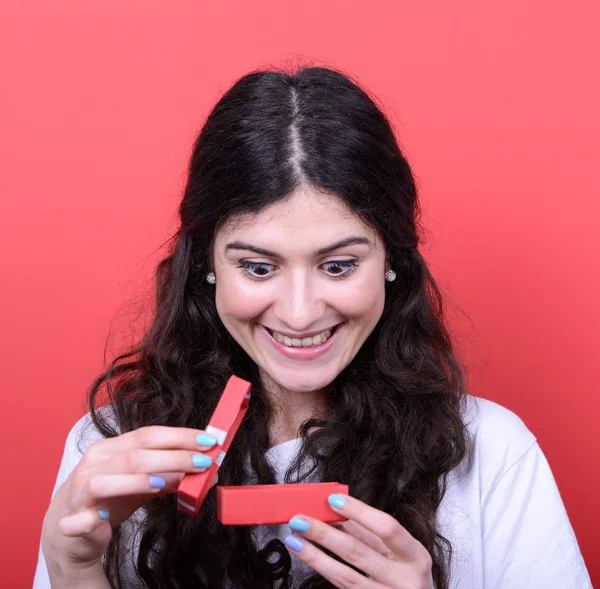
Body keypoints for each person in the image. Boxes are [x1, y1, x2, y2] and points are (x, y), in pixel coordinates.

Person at [33, 65, 593, 589]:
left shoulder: (491, 452)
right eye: (257, 267)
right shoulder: (113, 450)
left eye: (338, 265)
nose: (299, 314)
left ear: (392, 262)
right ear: (206, 265)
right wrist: (72, 568)